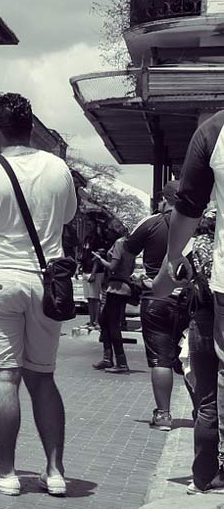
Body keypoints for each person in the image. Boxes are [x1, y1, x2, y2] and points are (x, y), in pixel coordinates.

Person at [0, 93, 77, 497]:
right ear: (31, 129)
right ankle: (55, 473)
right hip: (46, 283)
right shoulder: (58, 169)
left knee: (4, 378)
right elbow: (70, 215)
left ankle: (6, 474)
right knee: (43, 377)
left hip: (0, 279)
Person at [155, 111, 224, 493]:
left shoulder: (214, 132)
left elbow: (187, 211)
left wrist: (170, 266)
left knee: (209, 396)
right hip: (210, 301)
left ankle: (204, 475)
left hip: (211, 301)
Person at [122, 181, 190, 430]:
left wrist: (132, 276)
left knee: (161, 360)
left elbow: (126, 249)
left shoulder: (151, 223)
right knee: (191, 358)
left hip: (156, 298)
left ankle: (163, 415)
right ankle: (202, 412)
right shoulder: (199, 224)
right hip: (189, 299)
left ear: (165, 199)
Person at [182, 208, 222, 493]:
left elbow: (176, 277)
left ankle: (202, 478)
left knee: (206, 401)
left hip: (203, 320)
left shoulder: (195, 246)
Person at [94, 235, 137, 372]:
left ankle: (121, 361)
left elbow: (113, 266)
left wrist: (100, 260)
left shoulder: (119, 243)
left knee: (112, 324)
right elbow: (130, 269)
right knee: (104, 320)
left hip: (117, 286)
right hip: (121, 285)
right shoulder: (131, 245)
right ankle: (108, 358)